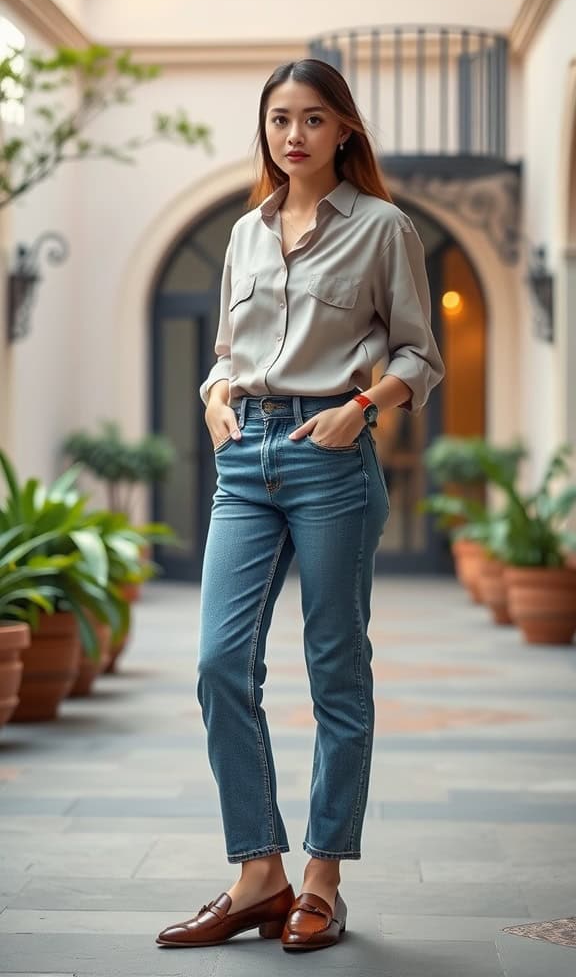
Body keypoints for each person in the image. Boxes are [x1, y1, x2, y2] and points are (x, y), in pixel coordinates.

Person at [156, 58, 444, 953]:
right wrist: (212, 397)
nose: (294, 135)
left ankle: (321, 878)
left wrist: (356, 410)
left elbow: (417, 358)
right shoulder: (244, 234)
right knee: (217, 665)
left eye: (313, 119)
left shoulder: (384, 229)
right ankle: (258, 874)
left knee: (335, 670)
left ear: (344, 130)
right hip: (244, 463)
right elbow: (225, 355)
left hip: (330, 458)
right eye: (280, 119)